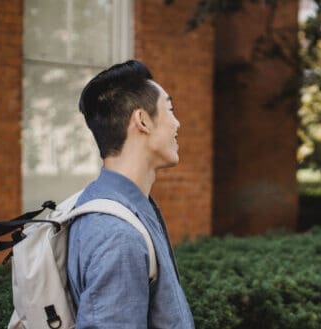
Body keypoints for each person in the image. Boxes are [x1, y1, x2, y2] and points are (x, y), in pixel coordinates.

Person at [67, 60, 195, 328]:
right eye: (170, 110)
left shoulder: (112, 204)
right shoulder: (118, 235)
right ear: (142, 121)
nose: (178, 123)